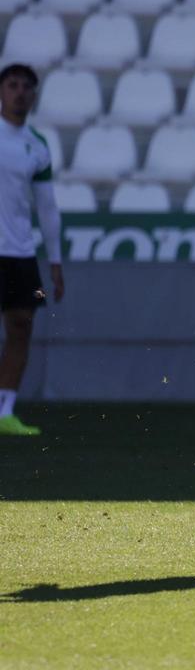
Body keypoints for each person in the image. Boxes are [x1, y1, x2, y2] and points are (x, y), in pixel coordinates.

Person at [0, 64, 63, 438]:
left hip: (21, 254)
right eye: (12, 85)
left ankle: (4, 411)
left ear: (34, 95)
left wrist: (54, 261)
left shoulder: (37, 145)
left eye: (26, 86)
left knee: (21, 328)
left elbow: (47, 208)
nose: (20, 92)